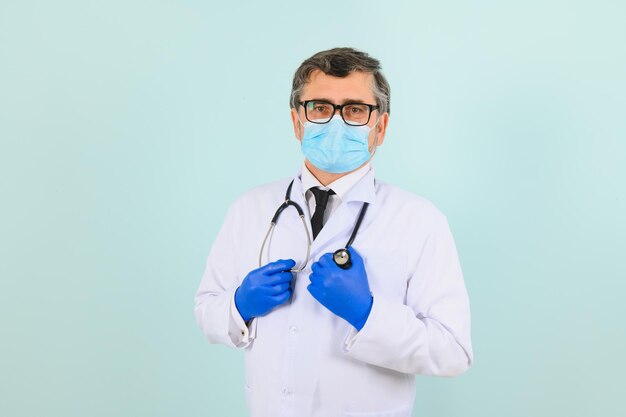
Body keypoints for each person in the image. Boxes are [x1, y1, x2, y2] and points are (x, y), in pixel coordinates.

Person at [194, 47, 473, 417]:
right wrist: (239, 305)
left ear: (381, 127)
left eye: (355, 109)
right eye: (321, 108)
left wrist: (367, 313)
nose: (336, 122)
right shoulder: (250, 208)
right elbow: (207, 311)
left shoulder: (420, 220)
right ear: (298, 121)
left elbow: (452, 351)